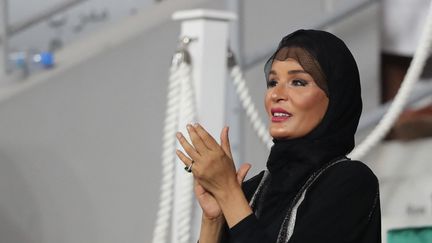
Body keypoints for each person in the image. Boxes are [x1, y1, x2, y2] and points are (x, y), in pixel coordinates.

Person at [176, 29, 381, 243]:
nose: (275, 95)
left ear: (336, 98)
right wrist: (213, 220)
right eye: (273, 82)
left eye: (298, 82)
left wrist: (228, 193)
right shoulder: (250, 191)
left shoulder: (351, 182)